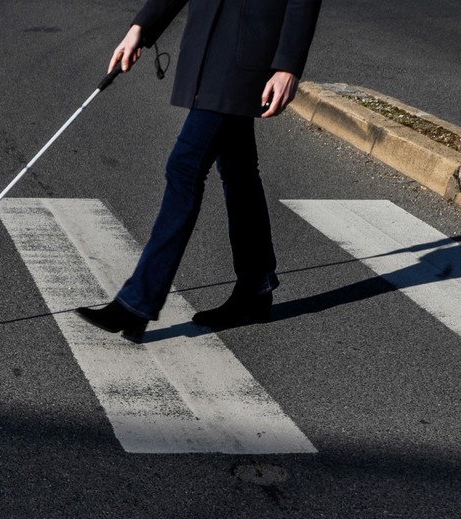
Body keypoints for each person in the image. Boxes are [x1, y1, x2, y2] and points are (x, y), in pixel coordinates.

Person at [77, 0, 324, 341]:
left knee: (184, 168)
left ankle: (138, 301)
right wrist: (141, 28)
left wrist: (288, 66)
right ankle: (255, 285)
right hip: (208, 53)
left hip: (245, 58)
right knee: (238, 170)